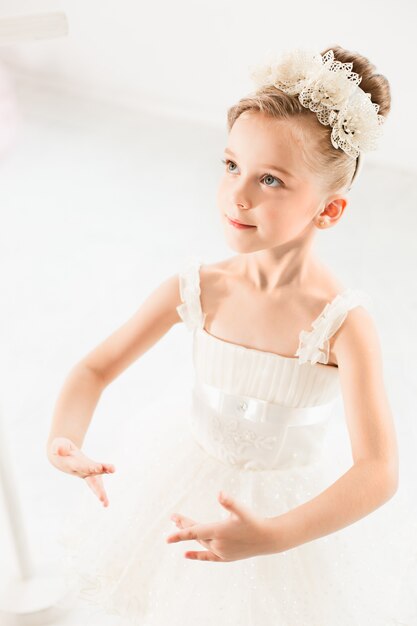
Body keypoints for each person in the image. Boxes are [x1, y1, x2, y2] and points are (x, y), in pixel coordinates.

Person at [46, 45, 417, 625]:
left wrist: (270, 536)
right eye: (230, 166)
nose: (238, 195)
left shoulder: (343, 323)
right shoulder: (196, 287)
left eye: (270, 179)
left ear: (329, 210)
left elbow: (379, 470)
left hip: (285, 516)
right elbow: (95, 369)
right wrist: (64, 440)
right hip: (182, 485)